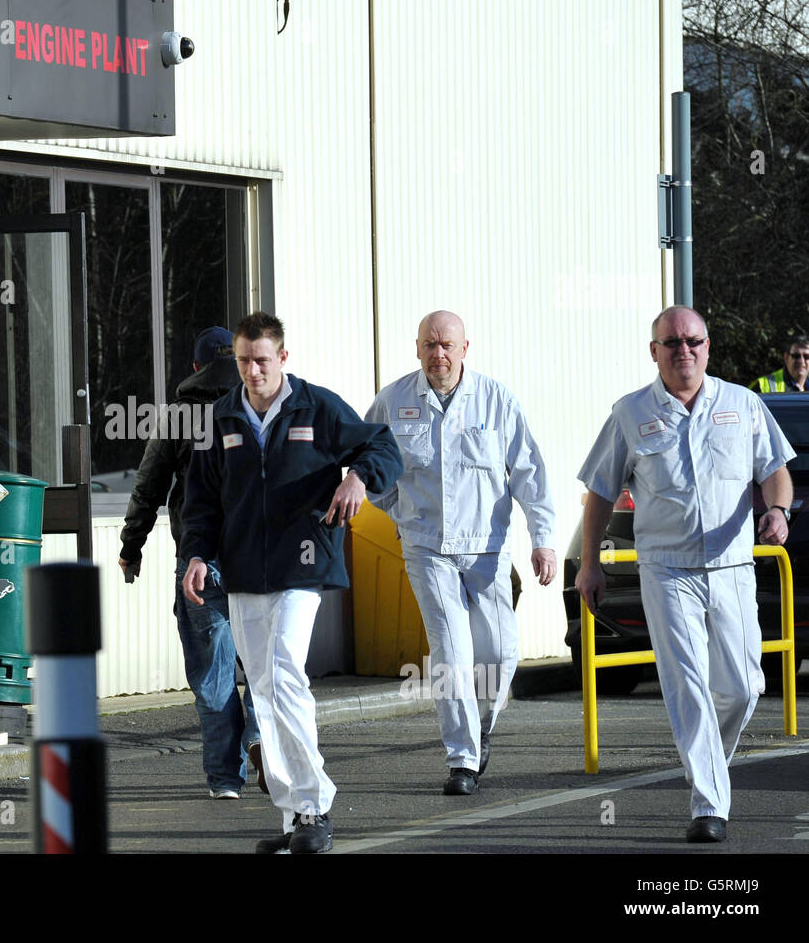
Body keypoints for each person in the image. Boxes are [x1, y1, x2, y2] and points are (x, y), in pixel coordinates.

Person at [181, 313, 404, 853]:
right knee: (260, 685)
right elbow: (201, 502)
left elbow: (383, 448)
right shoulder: (222, 418)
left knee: (283, 672)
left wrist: (356, 477)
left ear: (284, 358)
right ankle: (292, 818)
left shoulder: (317, 406)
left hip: (302, 564)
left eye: (262, 360)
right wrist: (195, 556)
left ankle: (313, 804)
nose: (252, 371)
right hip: (240, 572)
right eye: (243, 361)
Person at [576, 306, 793, 843]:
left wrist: (777, 511)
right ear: (654, 351)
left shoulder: (743, 404)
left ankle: (708, 765)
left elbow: (776, 473)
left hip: (732, 568)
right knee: (687, 688)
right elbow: (600, 491)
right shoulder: (630, 413)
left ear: (708, 346)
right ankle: (709, 805)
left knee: (744, 687)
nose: (683, 351)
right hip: (666, 571)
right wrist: (589, 563)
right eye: (671, 343)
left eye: (693, 341)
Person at [364, 311, 557, 796]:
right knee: (452, 650)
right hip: (427, 549)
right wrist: (403, 514)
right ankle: (462, 760)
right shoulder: (393, 401)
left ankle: (482, 724)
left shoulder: (496, 401)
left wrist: (543, 539)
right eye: (429, 345)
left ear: (465, 348)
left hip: (487, 551)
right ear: (417, 349)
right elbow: (371, 469)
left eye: (447, 345)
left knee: (498, 652)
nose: (438, 354)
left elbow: (529, 473)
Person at [119, 327, 262, 799]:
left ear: (196, 367)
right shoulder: (260, 407)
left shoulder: (178, 417)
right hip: (257, 558)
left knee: (212, 672)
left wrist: (131, 546)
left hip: (199, 560)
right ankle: (263, 737)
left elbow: (148, 487)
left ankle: (225, 778)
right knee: (265, 664)